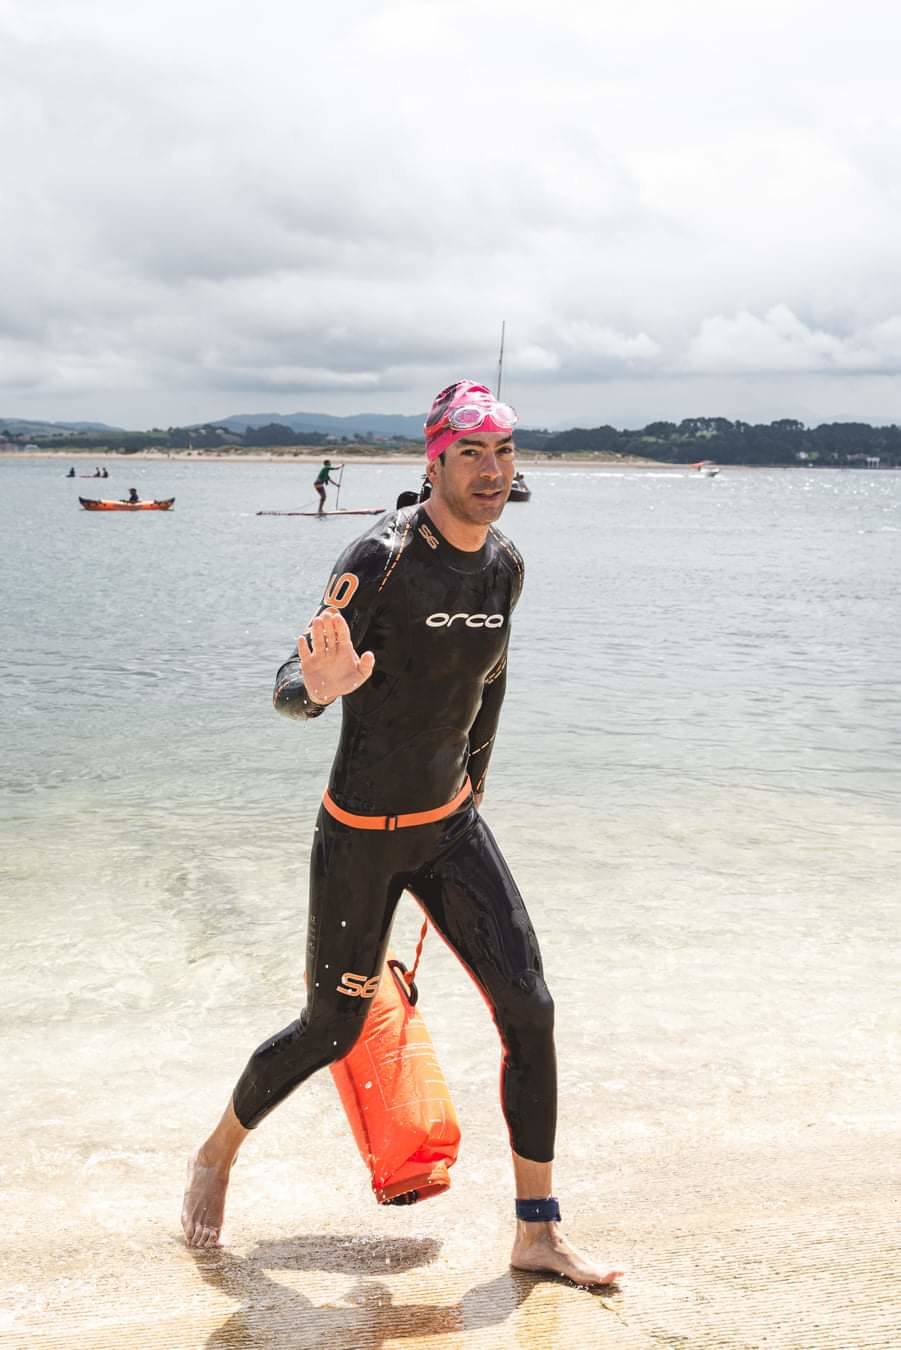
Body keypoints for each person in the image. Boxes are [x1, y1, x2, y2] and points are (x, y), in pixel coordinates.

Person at [182, 379, 623, 1287]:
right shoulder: (381, 559)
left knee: (530, 1011)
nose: (491, 471)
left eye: (503, 453)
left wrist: (477, 790)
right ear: (434, 460)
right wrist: (322, 688)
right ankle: (216, 1153)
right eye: (471, 454)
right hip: (362, 834)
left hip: (451, 827)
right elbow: (287, 685)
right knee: (329, 1029)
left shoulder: (504, 563)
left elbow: (488, 686)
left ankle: (536, 1230)